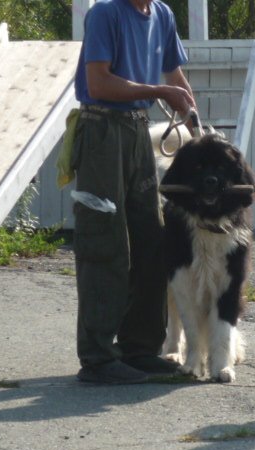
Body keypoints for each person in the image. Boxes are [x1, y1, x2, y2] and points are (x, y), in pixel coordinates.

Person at [71, 0, 196, 384]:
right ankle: (98, 358)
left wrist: (195, 124)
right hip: (101, 131)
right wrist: (160, 89)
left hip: (139, 130)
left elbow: (174, 76)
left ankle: (139, 348)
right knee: (105, 241)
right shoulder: (106, 14)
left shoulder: (162, 14)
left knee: (151, 239)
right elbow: (99, 82)